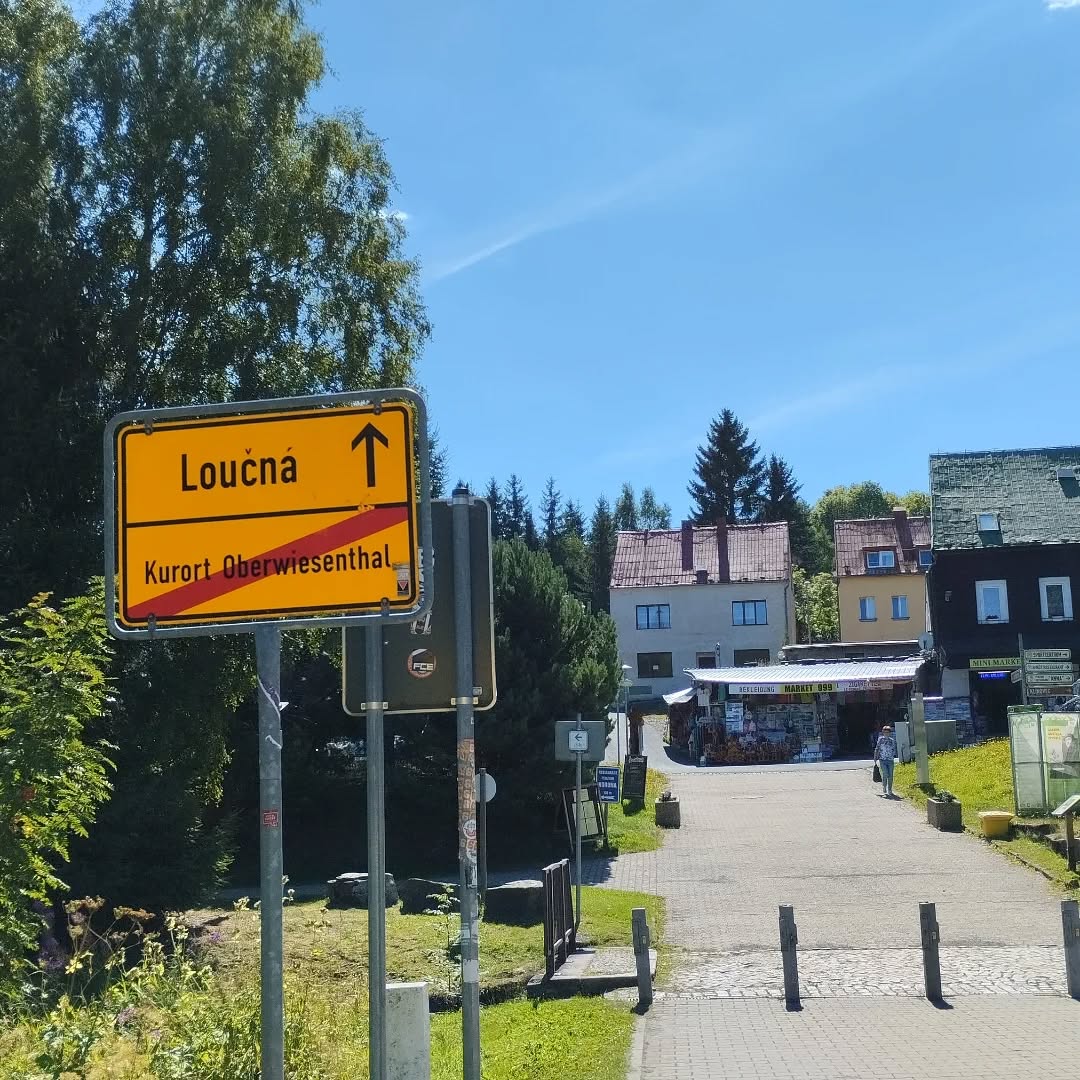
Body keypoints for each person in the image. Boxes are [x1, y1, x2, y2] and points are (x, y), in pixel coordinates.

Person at [875, 724, 897, 797]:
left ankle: (889, 789)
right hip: (882, 759)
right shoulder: (880, 739)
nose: (886, 734)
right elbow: (877, 748)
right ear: (883, 732)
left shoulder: (892, 740)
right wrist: (875, 757)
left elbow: (894, 749)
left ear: (890, 733)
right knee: (885, 774)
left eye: (888, 732)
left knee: (890, 775)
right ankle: (884, 786)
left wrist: (893, 755)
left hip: (890, 759)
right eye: (885, 732)